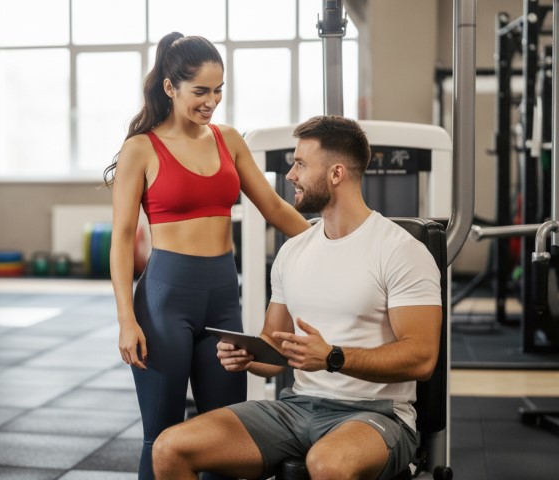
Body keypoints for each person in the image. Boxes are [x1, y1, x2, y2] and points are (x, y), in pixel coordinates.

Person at [151, 115, 443, 480]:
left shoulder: (401, 251)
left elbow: (421, 358)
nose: (290, 175)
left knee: (328, 464)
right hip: (295, 408)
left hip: (375, 414)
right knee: (169, 448)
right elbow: (274, 351)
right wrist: (249, 355)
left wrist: (333, 357)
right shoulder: (294, 250)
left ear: (336, 174)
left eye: (301, 164)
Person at [104, 32, 311, 480]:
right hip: (164, 303)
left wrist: (337, 243)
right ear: (169, 88)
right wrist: (125, 319)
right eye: (200, 91)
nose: (211, 102)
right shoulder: (140, 148)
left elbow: (275, 207)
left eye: (218, 91)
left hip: (221, 299)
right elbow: (122, 238)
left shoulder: (228, 140)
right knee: (162, 438)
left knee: (227, 435)